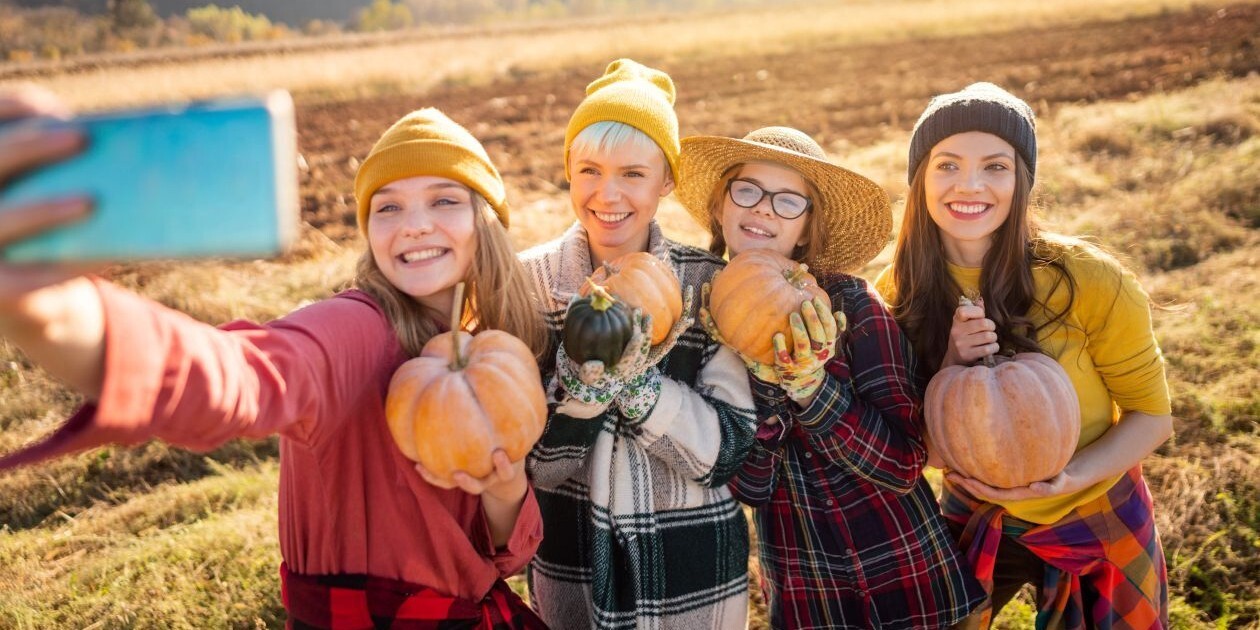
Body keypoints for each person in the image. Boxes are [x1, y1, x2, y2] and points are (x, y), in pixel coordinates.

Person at [0, 88, 550, 629]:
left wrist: (505, 490)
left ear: (486, 219)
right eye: (388, 207)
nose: (414, 224)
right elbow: (240, 374)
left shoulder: (488, 343)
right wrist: (56, 312)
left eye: (445, 199)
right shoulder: (353, 329)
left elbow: (502, 553)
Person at [874, 82, 1174, 629]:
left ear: (1022, 180)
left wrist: (1070, 477)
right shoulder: (895, 295)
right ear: (920, 179)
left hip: (1096, 506)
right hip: (978, 512)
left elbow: (1153, 416)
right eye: (947, 165)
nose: (969, 185)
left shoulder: (1087, 279)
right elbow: (924, 453)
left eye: (995, 166)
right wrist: (949, 367)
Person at [678, 126, 986, 628]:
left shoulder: (853, 306)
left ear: (808, 226)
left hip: (911, 579)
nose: (762, 210)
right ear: (720, 205)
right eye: (748, 190)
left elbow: (905, 464)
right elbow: (750, 487)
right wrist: (770, 387)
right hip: (810, 593)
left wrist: (813, 388)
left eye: (787, 202)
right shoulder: (704, 330)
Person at [518, 59, 756, 629]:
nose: (607, 194)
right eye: (589, 170)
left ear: (666, 181)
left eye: (632, 173)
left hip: (692, 577)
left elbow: (727, 453)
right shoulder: (529, 284)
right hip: (574, 570)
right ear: (569, 173)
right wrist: (587, 380)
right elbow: (535, 469)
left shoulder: (708, 284)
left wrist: (639, 386)